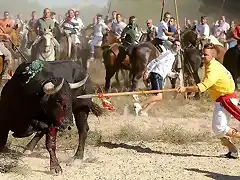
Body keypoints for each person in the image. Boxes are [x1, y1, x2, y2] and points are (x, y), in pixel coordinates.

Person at [177, 43, 240, 159]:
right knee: (218, 129)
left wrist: (185, 89)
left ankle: (234, 149)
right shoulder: (210, 65)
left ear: (213, 56)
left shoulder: (213, 69)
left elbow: (202, 88)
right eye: (202, 54)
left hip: (226, 99)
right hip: (221, 99)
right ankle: (233, 151)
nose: (202, 56)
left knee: (219, 128)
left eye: (205, 55)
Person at [133, 40, 180, 117]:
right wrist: (147, 71)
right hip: (156, 75)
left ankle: (143, 111)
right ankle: (139, 105)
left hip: (160, 76)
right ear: (172, 45)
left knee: (158, 97)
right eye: (175, 44)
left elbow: (167, 72)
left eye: (178, 45)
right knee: (158, 96)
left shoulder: (173, 57)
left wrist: (175, 75)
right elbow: (156, 61)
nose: (176, 46)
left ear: (179, 48)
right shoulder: (168, 53)